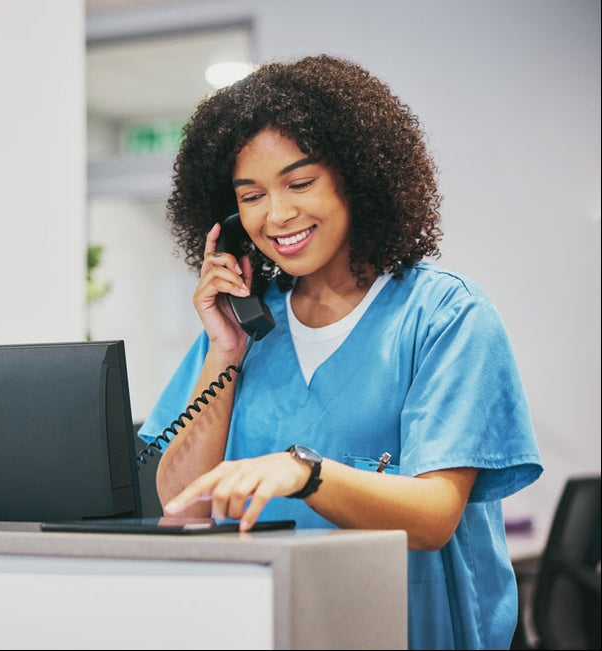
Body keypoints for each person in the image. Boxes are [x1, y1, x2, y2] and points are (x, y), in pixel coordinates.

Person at [137, 53, 543, 650]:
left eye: (300, 183)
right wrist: (224, 348)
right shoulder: (243, 326)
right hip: (272, 626)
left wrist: (305, 472)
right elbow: (180, 501)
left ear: (356, 177)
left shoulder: (445, 316)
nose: (276, 215)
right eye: (250, 196)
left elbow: (433, 515)